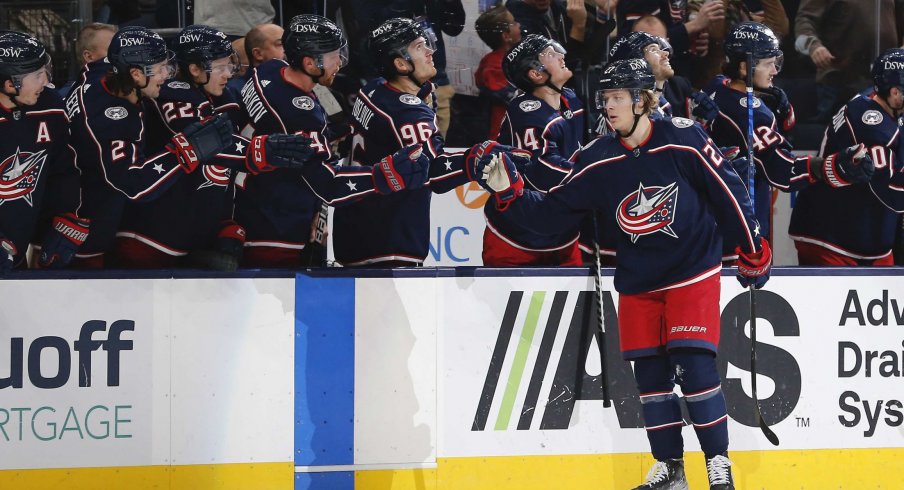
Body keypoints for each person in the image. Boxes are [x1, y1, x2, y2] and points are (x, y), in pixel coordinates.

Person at [479, 58, 770, 490]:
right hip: (638, 279)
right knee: (650, 378)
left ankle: (717, 462)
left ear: (642, 100)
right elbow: (551, 215)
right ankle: (670, 468)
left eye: (617, 98)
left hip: (692, 269)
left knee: (694, 365)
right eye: (604, 99)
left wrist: (751, 245)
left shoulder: (684, 139)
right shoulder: (597, 158)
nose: (609, 107)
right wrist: (510, 193)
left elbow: (728, 191)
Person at [235, 14, 432, 268]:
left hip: (249, 210)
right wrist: (381, 175)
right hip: (276, 231)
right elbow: (327, 183)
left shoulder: (269, 70)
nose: (340, 61)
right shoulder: (301, 115)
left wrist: (335, 133)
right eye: (333, 55)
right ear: (310, 62)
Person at [333, 17, 528, 267]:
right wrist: (475, 158)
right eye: (419, 47)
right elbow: (431, 172)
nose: (430, 51)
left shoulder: (372, 90)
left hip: (354, 231)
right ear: (401, 64)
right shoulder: (409, 112)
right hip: (388, 241)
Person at [113, 25, 308, 269]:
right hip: (149, 239)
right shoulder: (173, 94)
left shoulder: (222, 98)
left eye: (230, 65)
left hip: (190, 238)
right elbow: (210, 142)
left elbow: (221, 171)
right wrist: (262, 150)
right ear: (194, 69)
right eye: (220, 67)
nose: (228, 74)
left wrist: (225, 222)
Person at [694, 21, 873, 252]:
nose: (775, 71)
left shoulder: (716, 85)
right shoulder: (752, 115)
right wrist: (832, 166)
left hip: (707, 226)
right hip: (740, 233)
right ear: (744, 68)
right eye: (768, 64)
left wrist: (781, 112)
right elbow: (783, 171)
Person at [65, 26, 235, 268]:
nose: (167, 75)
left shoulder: (106, 72)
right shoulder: (112, 118)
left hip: (88, 215)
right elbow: (133, 183)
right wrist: (185, 151)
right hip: (82, 228)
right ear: (135, 74)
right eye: (159, 69)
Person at [789, 48, 904, 266]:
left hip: (864, 239)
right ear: (895, 93)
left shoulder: (875, 99)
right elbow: (893, 194)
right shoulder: (875, 128)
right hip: (831, 241)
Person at [483, 34, 584, 266]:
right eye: (550, 54)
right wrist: (594, 177)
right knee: (506, 301)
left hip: (563, 232)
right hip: (517, 236)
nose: (561, 56)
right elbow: (543, 174)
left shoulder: (571, 100)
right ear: (536, 74)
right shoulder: (528, 113)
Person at [0, 31, 84, 271]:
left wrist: (62, 219)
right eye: (37, 75)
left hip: (15, 249)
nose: (45, 82)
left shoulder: (50, 105)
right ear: (10, 84)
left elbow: (62, 170)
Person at [794, 0, 903, 122]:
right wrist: (813, 46)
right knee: (837, 135)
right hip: (839, 78)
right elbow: (804, 20)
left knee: (884, 135)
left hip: (885, 80)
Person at [475, 5, 522, 138]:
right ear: (506, 36)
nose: (518, 24)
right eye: (514, 23)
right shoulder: (494, 64)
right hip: (502, 131)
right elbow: (509, 95)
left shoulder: (513, 58)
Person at [58, 23, 117, 99]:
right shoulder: (65, 96)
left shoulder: (128, 89)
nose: (120, 54)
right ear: (89, 56)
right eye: (112, 50)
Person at [227, 23, 284, 97]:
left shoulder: (293, 80)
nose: (287, 48)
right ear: (258, 54)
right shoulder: (236, 90)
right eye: (280, 44)